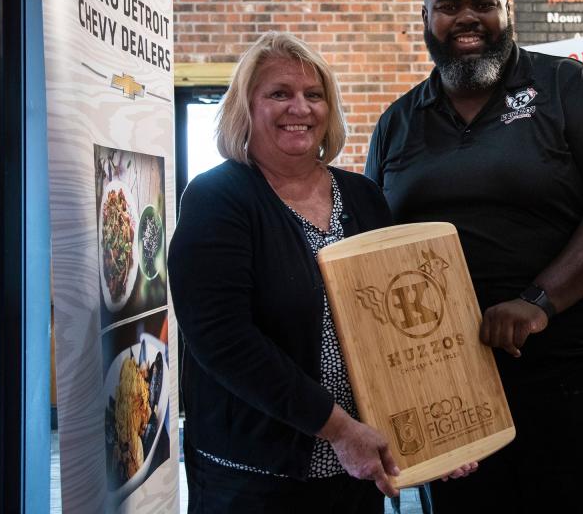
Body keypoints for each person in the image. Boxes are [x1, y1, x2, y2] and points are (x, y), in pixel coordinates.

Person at [365, 0, 583, 513]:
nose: (466, 18)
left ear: (508, 11)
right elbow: (377, 247)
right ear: (425, 20)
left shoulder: (572, 87)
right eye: (448, 7)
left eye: (483, 4)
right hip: (456, 385)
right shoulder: (398, 122)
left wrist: (538, 301)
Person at [169, 32, 475, 513]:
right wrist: (336, 428)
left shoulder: (363, 197)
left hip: (355, 467)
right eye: (279, 94)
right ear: (245, 108)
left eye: (314, 95)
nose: (300, 108)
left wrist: (436, 435)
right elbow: (221, 340)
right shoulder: (218, 198)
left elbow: (395, 328)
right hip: (255, 474)